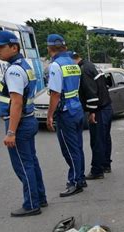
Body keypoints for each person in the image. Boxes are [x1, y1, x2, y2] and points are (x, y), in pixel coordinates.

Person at [0, 30, 47, 217]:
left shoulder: (13, 70)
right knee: (31, 161)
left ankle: (31, 204)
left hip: (19, 124)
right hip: (29, 120)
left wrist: (11, 132)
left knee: (23, 164)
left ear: (14, 47)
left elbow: (17, 102)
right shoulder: (25, 65)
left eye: (1, 47)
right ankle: (40, 198)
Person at [46, 34, 86, 197]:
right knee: (77, 147)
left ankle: (76, 182)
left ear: (50, 48)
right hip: (77, 109)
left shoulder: (55, 66)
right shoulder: (73, 63)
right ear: (64, 47)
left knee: (69, 150)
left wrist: (49, 116)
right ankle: (80, 178)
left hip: (65, 113)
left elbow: (55, 94)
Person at [71, 52, 113, 179]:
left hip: (99, 110)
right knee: (105, 138)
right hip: (106, 106)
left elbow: (91, 92)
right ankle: (106, 164)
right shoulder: (91, 65)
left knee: (97, 140)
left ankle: (97, 170)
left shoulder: (84, 70)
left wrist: (92, 112)